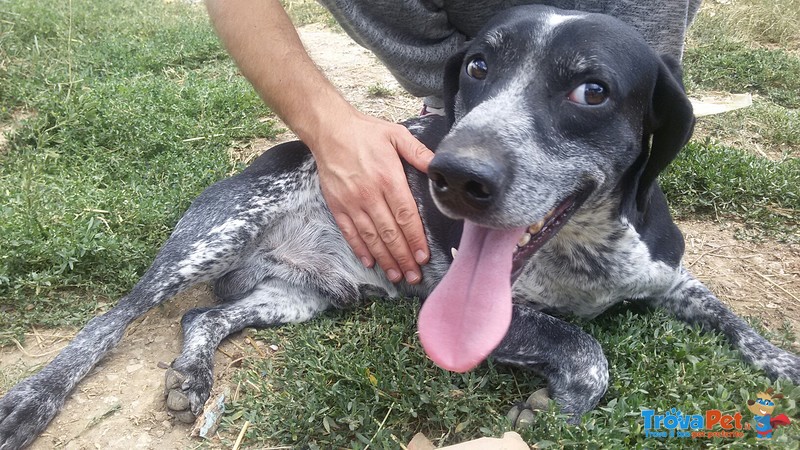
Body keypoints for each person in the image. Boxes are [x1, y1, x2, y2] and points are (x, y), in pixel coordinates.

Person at [204, 0, 702, 285]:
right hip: (452, 65)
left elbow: (639, 61)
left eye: (591, 93)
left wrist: (610, 92)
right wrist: (330, 129)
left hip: (619, 40)